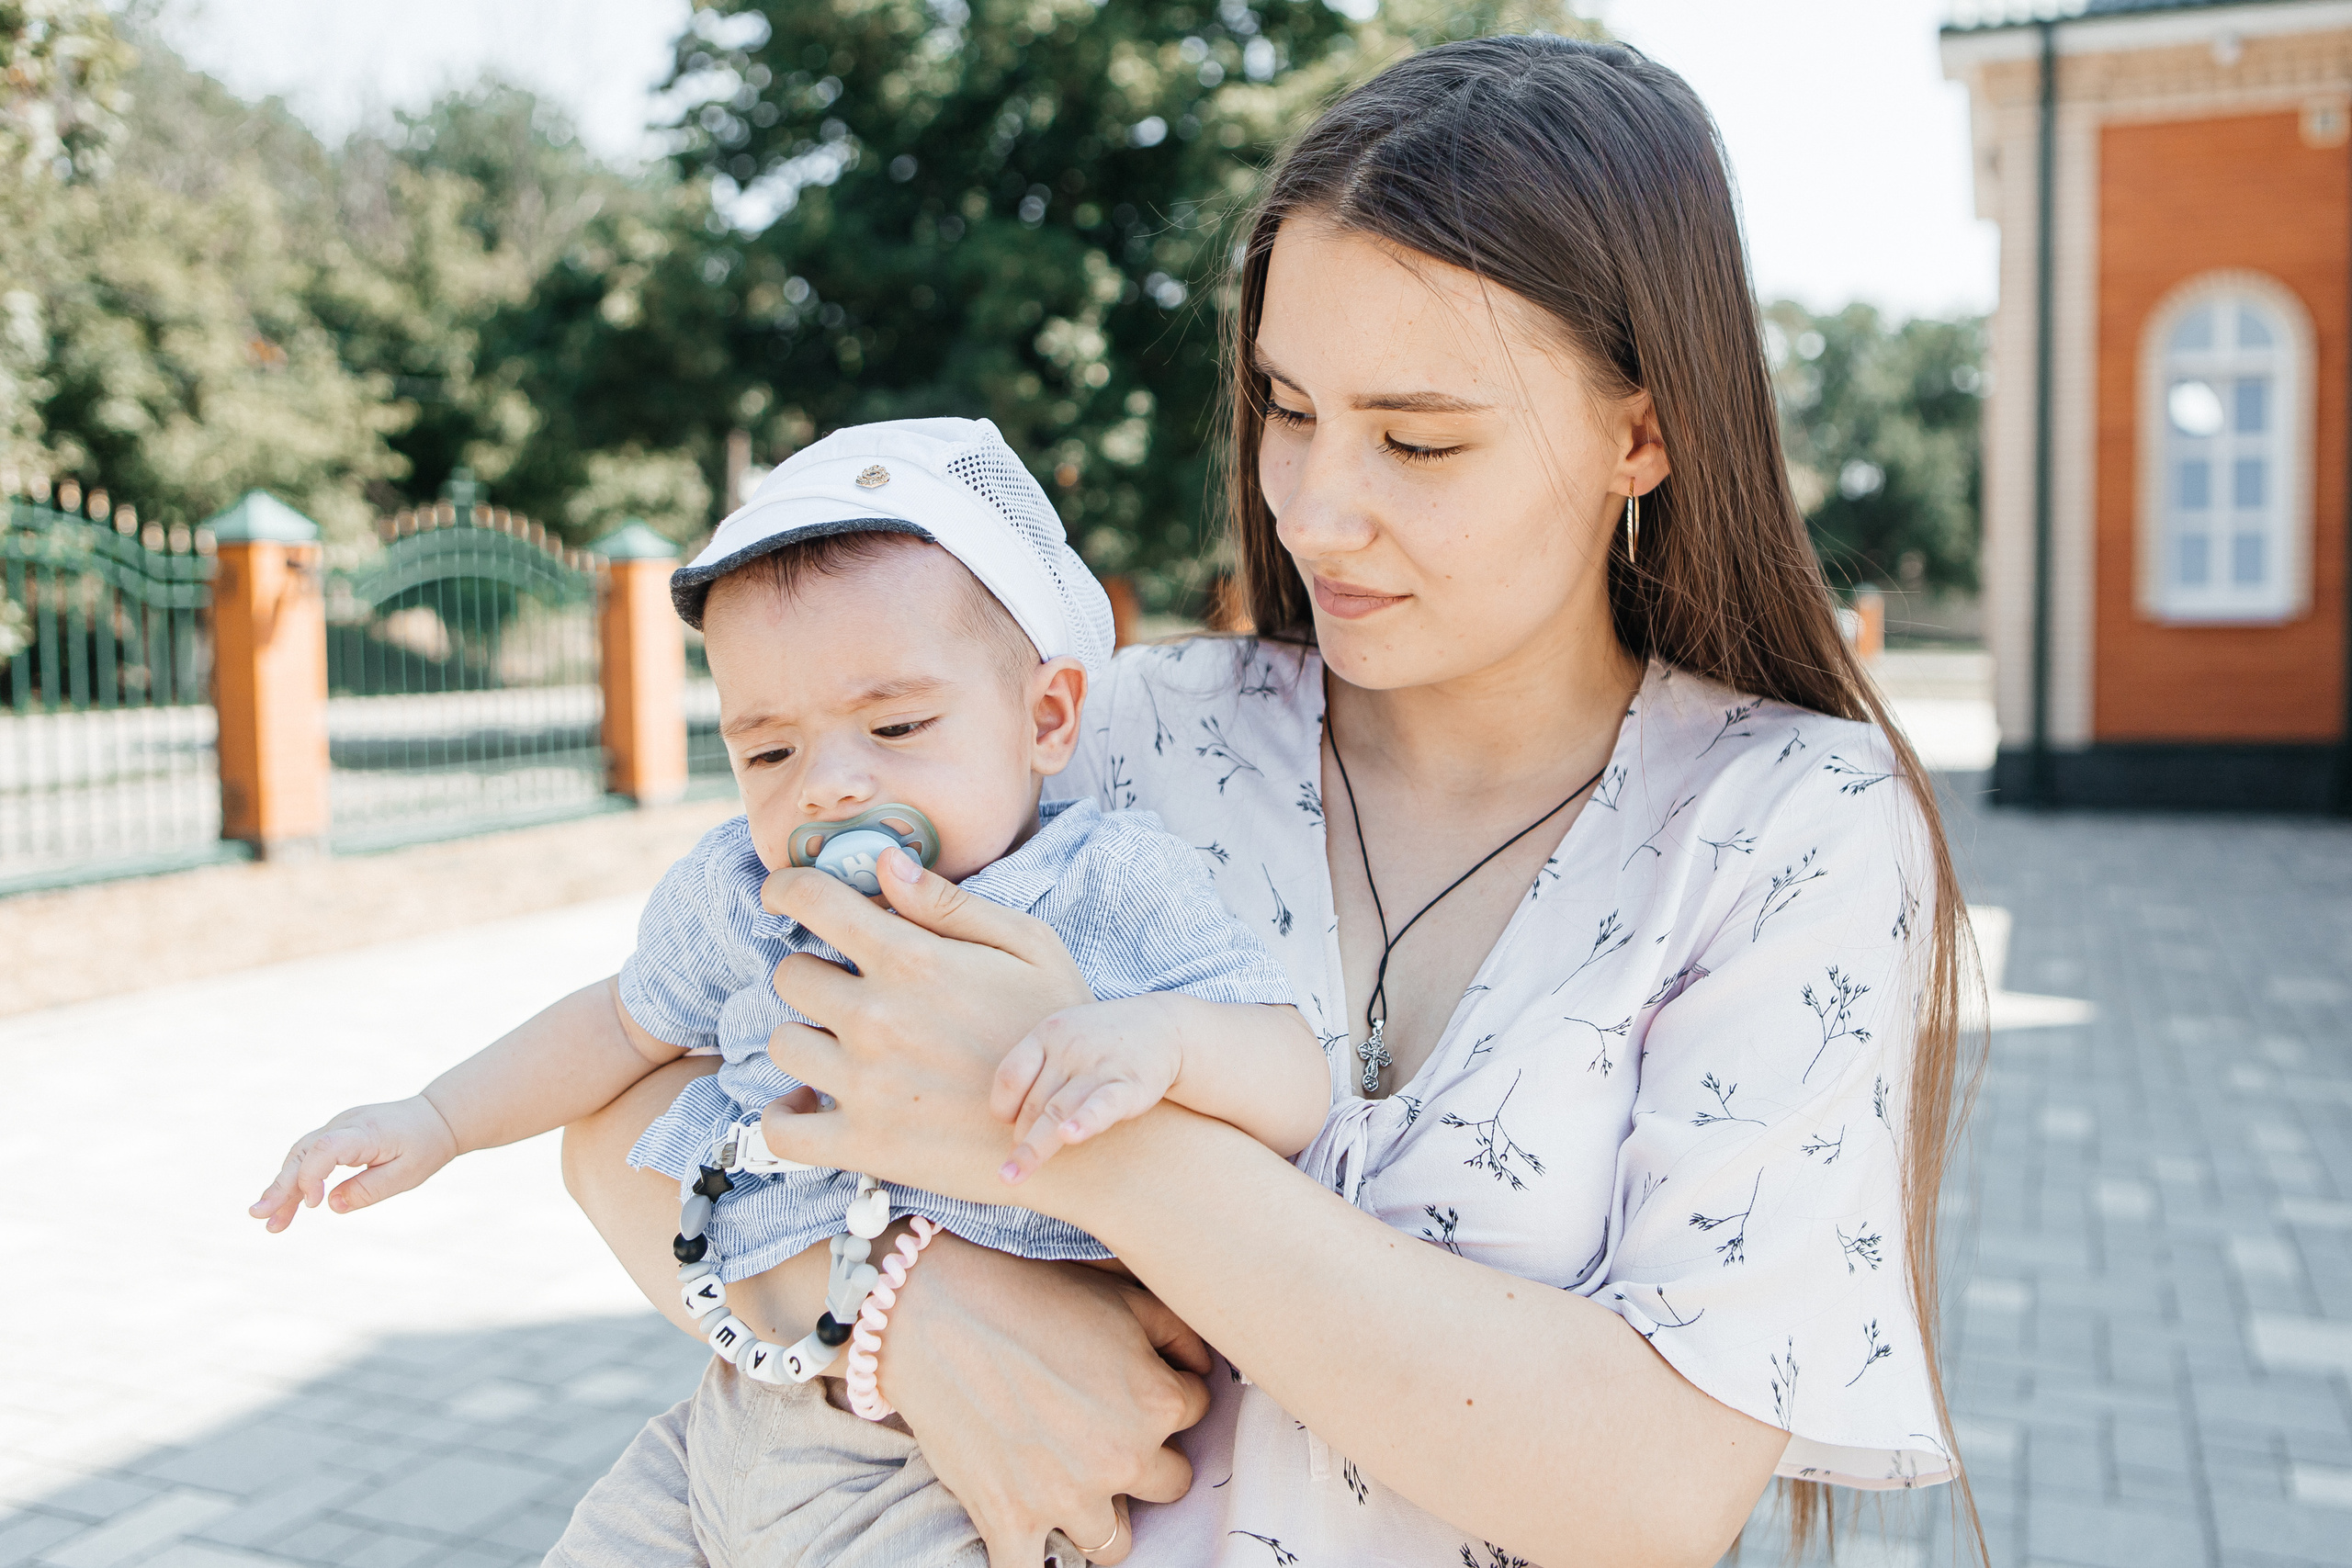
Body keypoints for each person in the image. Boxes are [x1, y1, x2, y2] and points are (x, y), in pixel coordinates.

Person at [556, 34, 1983, 1568]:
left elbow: (1649, 1489)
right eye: (1287, 409)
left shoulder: (1789, 828)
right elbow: (630, 1116)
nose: (1311, 504)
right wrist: (899, 1306)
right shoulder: (1113, 734)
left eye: (1416, 437)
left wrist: (1065, 1132)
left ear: (1640, 429)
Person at [249, 420, 1329, 1568]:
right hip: (736, 1410)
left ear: (1048, 716)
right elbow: (620, 1023)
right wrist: (439, 1119)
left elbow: (1289, 1074)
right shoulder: (744, 894)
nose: (834, 784)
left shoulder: (1104, 883)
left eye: (897, 726)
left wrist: (1160, 1039)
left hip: (947, 1464)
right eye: (769, 752)